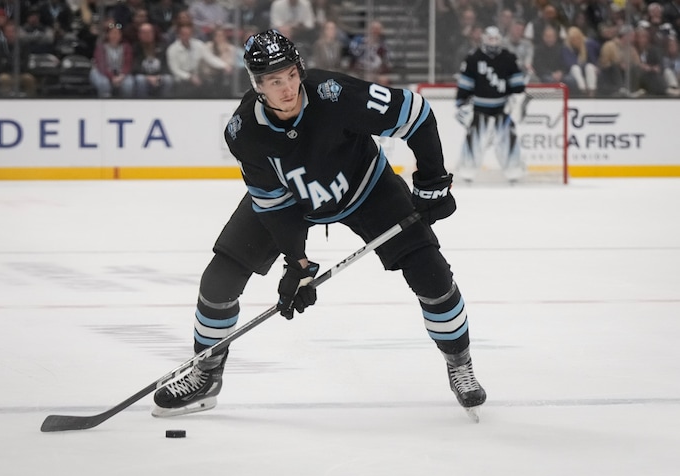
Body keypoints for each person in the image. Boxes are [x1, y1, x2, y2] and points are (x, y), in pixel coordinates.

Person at [151, 29, 487, 420]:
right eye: (274, 81)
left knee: (430, 273)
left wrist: (431, 184)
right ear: (257, 85)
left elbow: (417, 115)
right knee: (219, 278)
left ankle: (459, 362)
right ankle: (206, 373)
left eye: (291, 74)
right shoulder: (244, 132)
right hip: (295, 202)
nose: (288, 88)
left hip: (367, 188)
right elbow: (273, 206)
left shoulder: (335, 93)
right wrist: (298, 262)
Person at [454, 26, 527, 183]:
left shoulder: (508, 57)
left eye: (496, 39)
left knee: (508, 138)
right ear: (484, 39)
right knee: (474, 138)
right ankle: (468, 169)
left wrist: (516, 100)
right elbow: (465, 83)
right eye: (490, 39)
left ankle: (513, 169)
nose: (493, 42)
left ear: (500, 40)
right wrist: (461, 103)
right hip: (479, 107)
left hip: (503, 107)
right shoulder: (473, 57)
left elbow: (518, 84)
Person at [89, 20, 135, 98]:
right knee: (104, 83)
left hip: (121, 74)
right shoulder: (101, 47)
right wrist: (111, 77)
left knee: (128, 84)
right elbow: (101, 65)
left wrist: (121, 76)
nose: (115, 35)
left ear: (121, 35)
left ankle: (125, 106)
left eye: (117, 33)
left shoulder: (126, 47)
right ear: (108, 35)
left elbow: (128, 63)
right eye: (113, 33)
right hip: (102, 72)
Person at [132, 21, 173, 97]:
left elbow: (165, 64)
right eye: (144, 33)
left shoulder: (162, 46)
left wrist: (159, 76)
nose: (147, 35)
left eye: (149, 32)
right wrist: (147, 77)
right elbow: (135, 67)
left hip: (159, 75)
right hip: (144, 76)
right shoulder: (136, 48)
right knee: (140, 79)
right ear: (139, 35)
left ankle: (165, 103)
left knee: (168, 79)